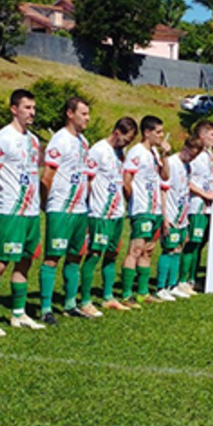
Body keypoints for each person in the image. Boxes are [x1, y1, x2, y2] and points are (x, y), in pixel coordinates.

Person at [0, 89, 46, 336]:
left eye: (33, 108)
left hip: (30, 212)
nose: (32, 112)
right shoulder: (3, 138)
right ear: (14, 109)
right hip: (10, 211)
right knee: (1, 263)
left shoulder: (34, 140)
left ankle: (18, 313)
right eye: (27, 107)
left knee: (26, 260)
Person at [39, 97, 93, 324]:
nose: (87, 118)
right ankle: (45, 308)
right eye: (83, 113)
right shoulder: (59, 140)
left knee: (75, 256)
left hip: (80, 210)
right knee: (53, 257)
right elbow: (47, 177)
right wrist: (46, 204)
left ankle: (70, 304)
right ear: (70, 114)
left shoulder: (84, 142)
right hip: (61, 208)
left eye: (88, 114)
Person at [80, 118, 138, 314]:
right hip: (99, 213)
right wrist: (87, 209)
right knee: (94, 253)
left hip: (116, 213)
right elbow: (87, 180)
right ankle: (85, 300)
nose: (126, 144)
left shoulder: (120, 153)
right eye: (126, 139)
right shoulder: (98, 150)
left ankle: (107, 297)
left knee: (112, 254)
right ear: (116, 133)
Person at [122, 115, 171, 306]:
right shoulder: (136, 152)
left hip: (155, 209)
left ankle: (142, 291)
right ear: (147, 133)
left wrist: (165, 156)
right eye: (158, 132)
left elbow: (165, 176)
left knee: (149, 251)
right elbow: (127, 180)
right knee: (135, 249)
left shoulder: (155, 154)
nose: (161, 136)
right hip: (142, 209)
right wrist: (133, 201)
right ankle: (126, 294)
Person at [155, 137, 200, 300]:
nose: (192, 159)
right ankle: (161, 287)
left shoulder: (187, 166)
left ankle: (173, 285)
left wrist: (186, 219)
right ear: (185, 148)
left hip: (182, 216)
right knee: (168, 249)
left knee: (178, 249)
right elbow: (164, 190)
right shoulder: (172, 163)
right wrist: (165, 217)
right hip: (171, 215)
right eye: (192, 155)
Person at [181, 120, 213, 293]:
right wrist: (204, 195)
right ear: (202, 135)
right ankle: (183, 280)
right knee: (192, 242)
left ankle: (193, 278)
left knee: (200, 243)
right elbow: (186, 181)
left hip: (208, 207)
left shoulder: (209, 155)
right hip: (196, 205)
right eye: (212, 135)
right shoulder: (194, 157)